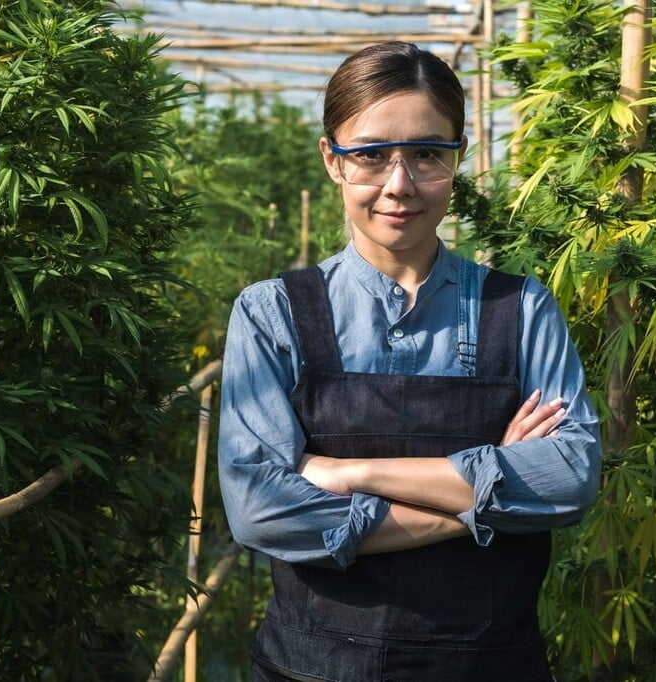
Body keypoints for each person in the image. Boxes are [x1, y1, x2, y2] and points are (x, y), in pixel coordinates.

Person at [217, 40, 601, 682]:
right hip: (311, 669)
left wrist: (351, 473)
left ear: (458, 157)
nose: (399, 184)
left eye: (426, 154)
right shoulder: (273, 313)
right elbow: (260, 508)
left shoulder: (521, 308)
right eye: (371, 155)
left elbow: (569, 478)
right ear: (332, 160)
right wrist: (485, 495)